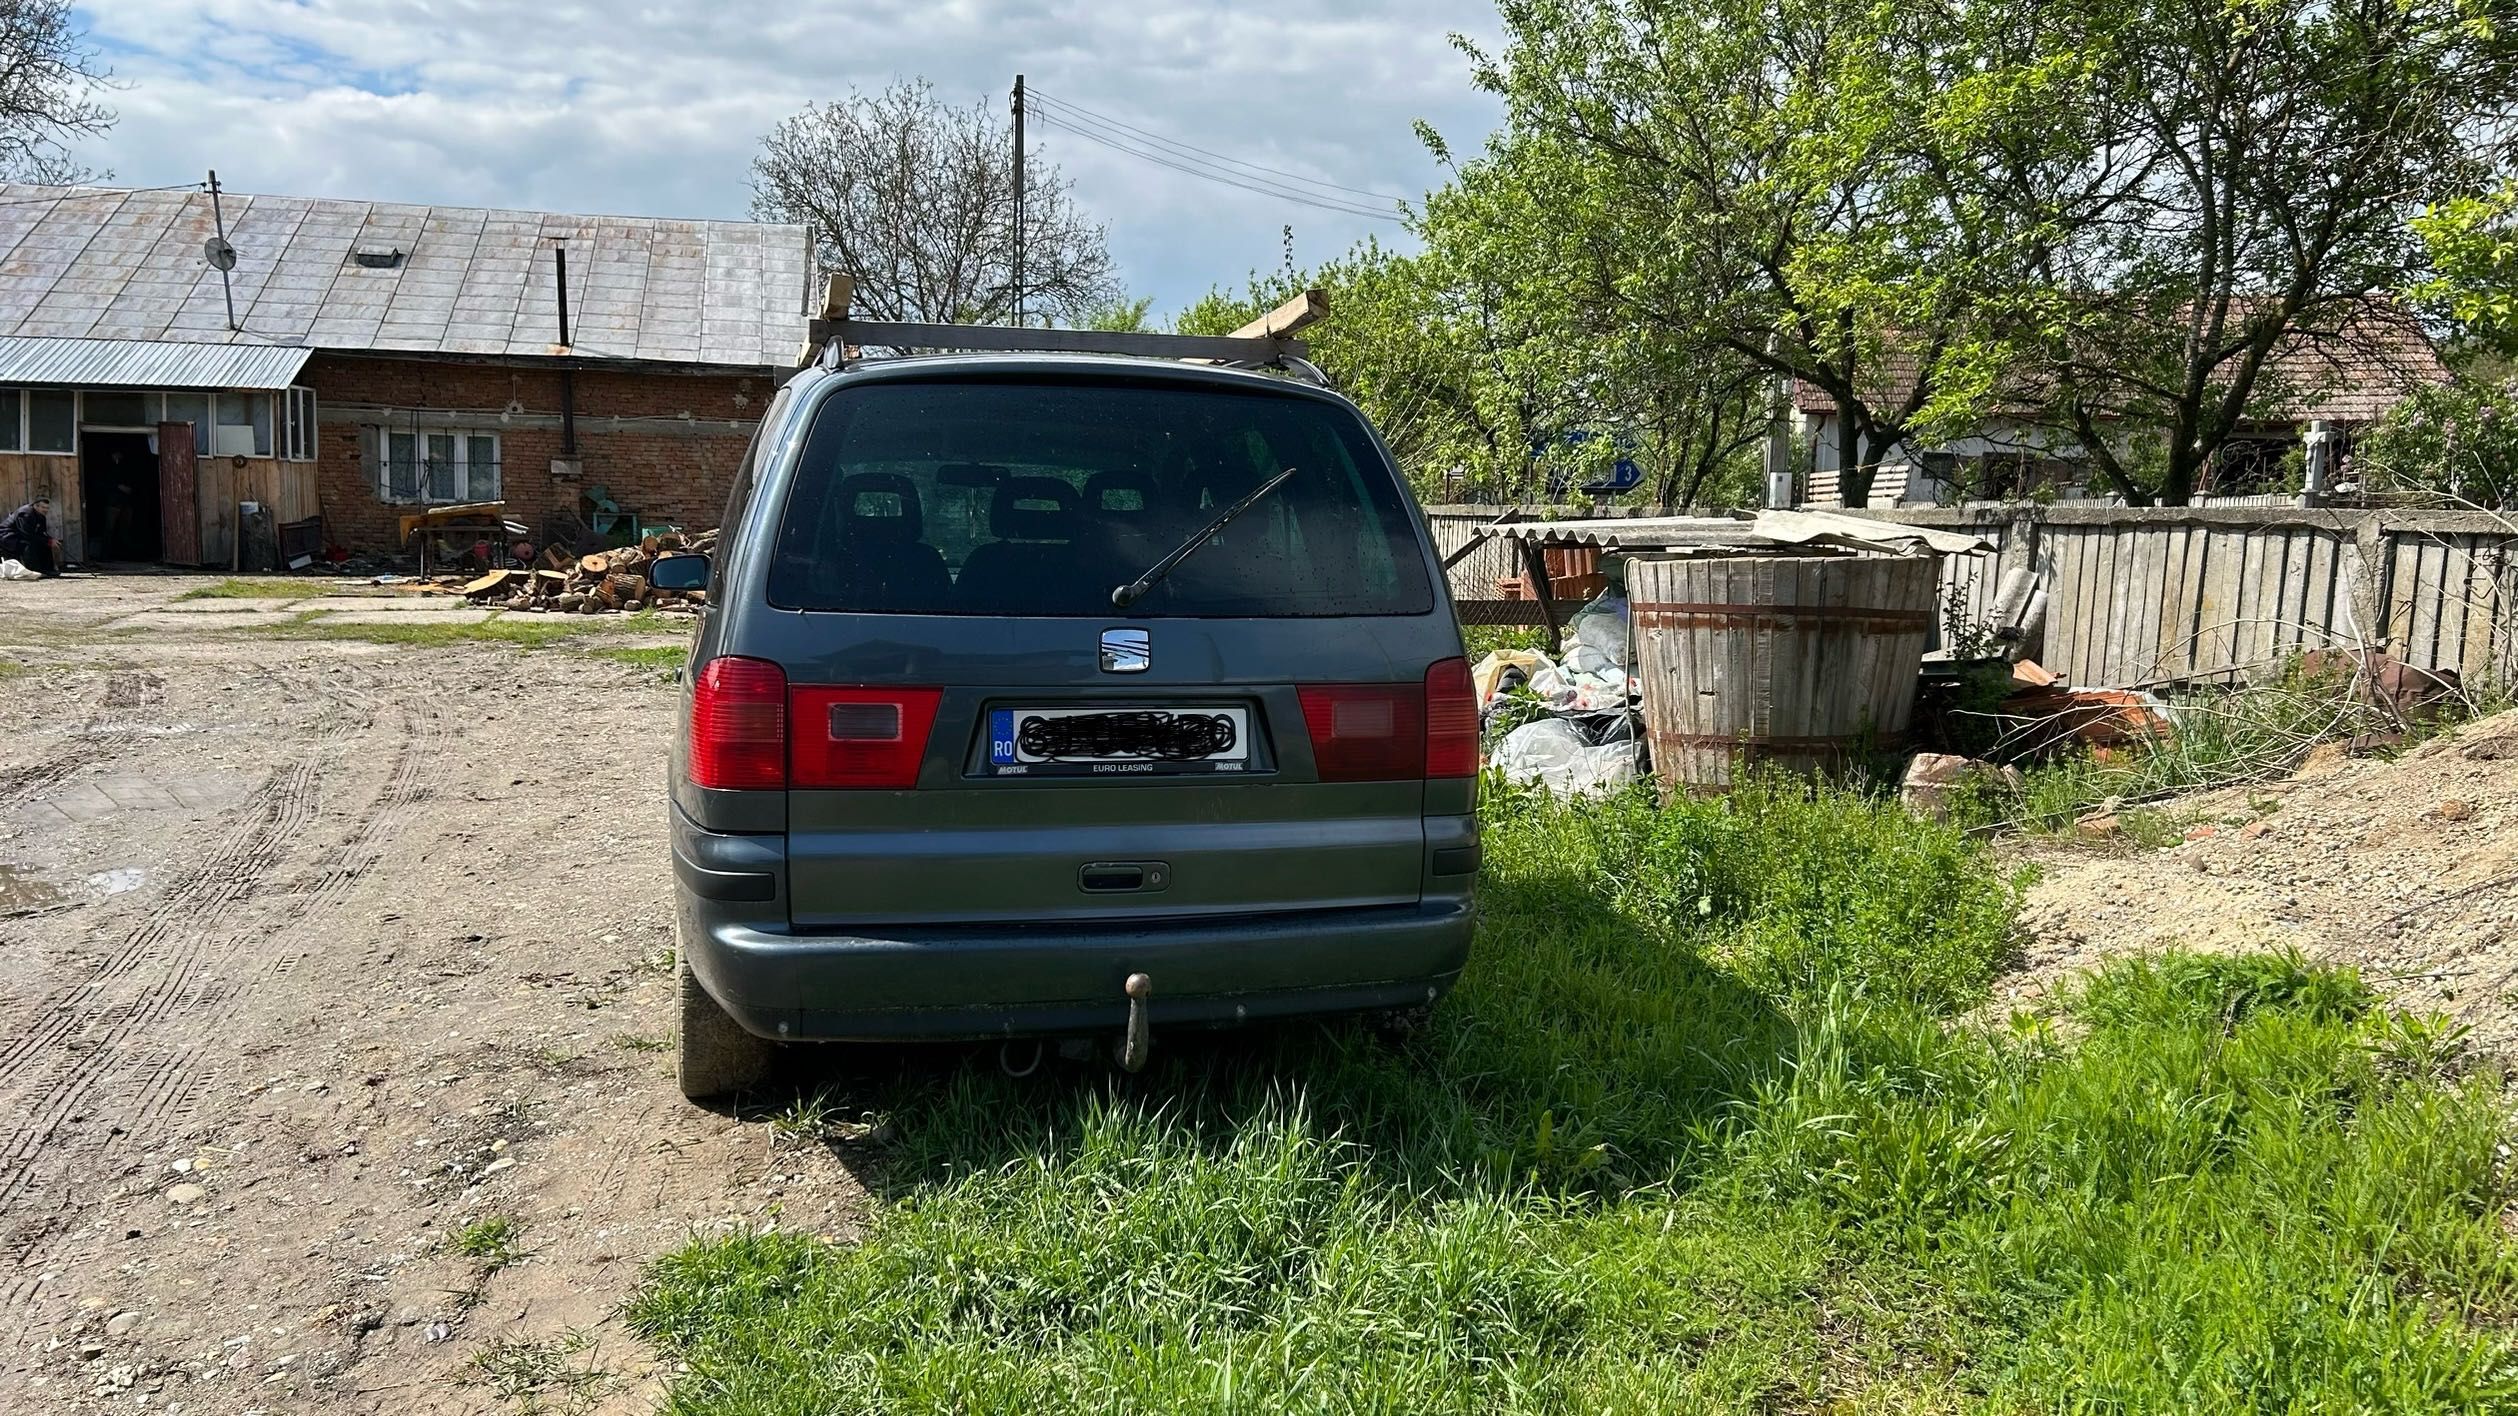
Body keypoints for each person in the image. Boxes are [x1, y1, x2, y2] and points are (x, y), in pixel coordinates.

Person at [0, 495, 61, 577]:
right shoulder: (25, 514)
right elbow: (26, 534)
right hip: (7, 536)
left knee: (45, 544)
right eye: (43, 507)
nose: (46, 510)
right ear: (36, 506)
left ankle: (48, 570)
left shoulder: (41, 517)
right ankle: (34, 570)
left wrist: (50, 540)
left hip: (22, 535)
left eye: (47, 508)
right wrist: (47, 540)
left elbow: (42, 533)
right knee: (28, 545)